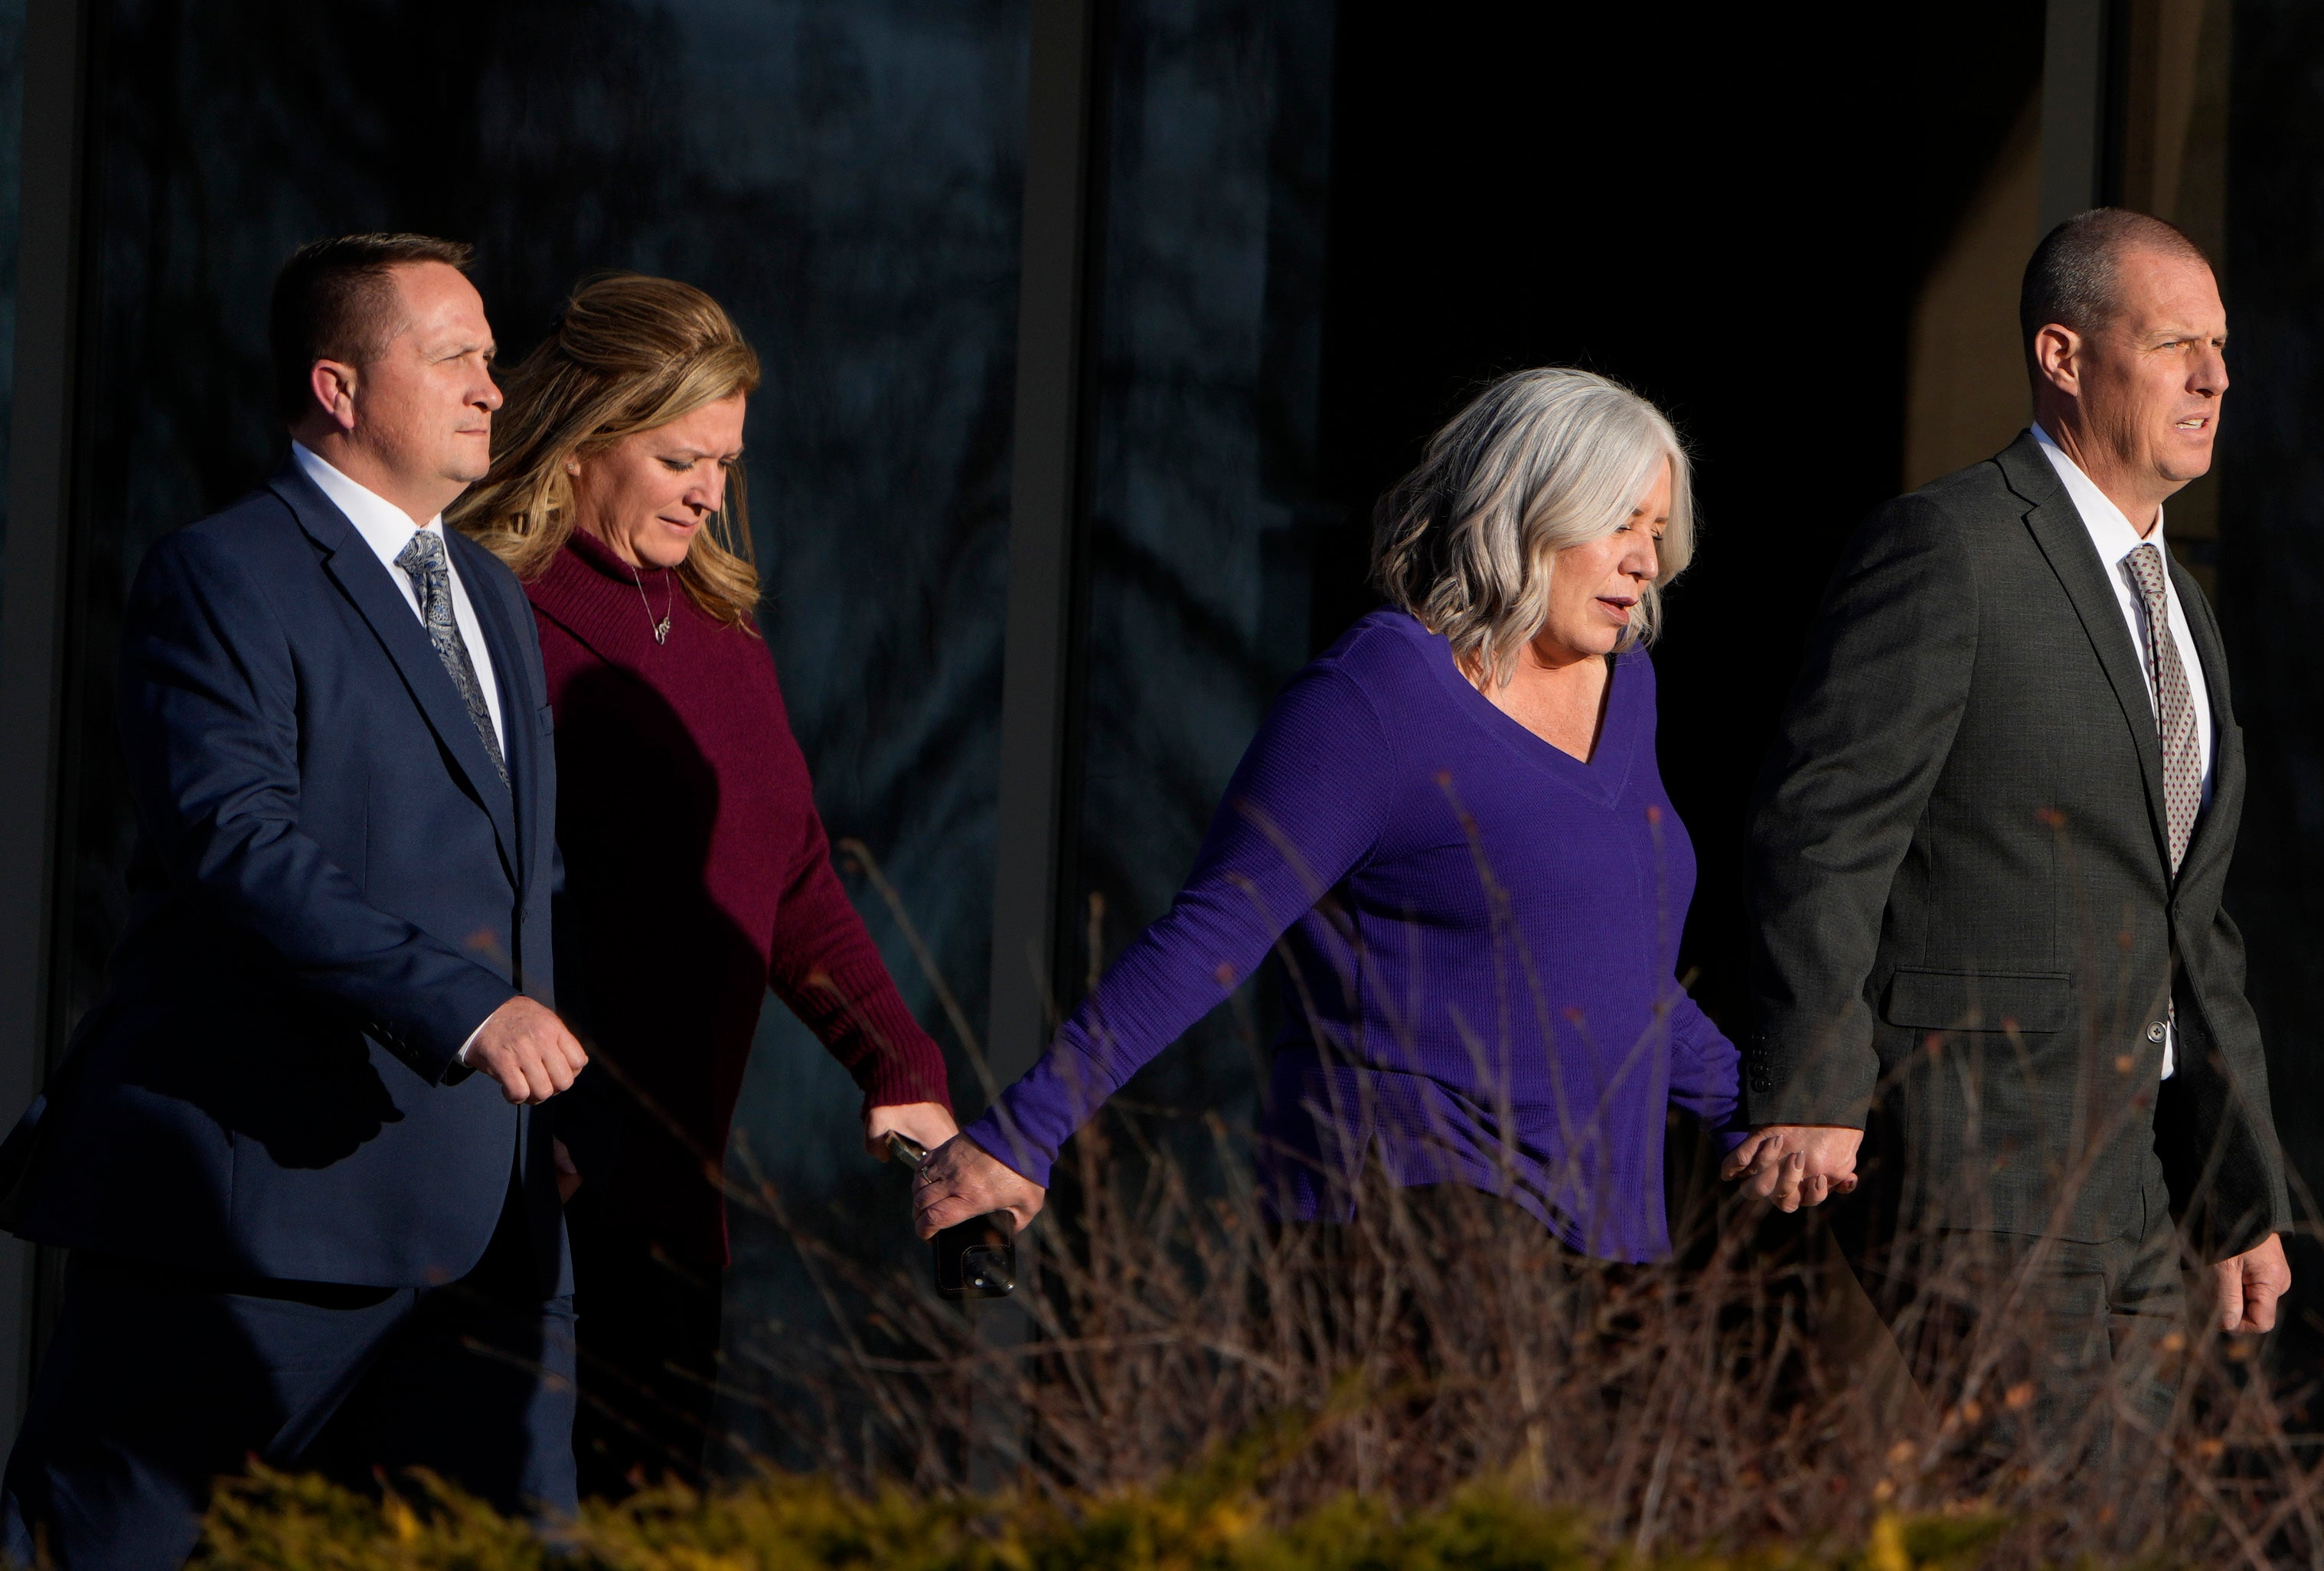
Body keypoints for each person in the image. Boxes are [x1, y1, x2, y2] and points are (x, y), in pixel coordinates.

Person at [0, 235, 586, 1566]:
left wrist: (544, 1100)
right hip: (258, 1212)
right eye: (453, 357)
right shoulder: (220, 576)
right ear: (338, 385)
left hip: (488, 1222)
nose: (493, 387)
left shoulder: (491, 598)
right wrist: (469, 1012)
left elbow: (514, 874)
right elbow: (238, 845)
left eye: (491, 358)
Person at [913, 367, 1741, 1269]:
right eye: (1620, 521)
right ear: (1531, 506)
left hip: (1602, 1229)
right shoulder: (1379, 695)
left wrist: (1764, 1107)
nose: (1646, 561)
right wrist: (1024, 1130)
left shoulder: (1627, 692)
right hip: (1415, 1208)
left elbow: (1609, 972)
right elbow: (1216, 929)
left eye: (1656, 531)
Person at [1729, 209, 2293, 1446]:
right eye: (2173, 344)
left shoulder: (2184, 612)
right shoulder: (1948, 549)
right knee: (2057, 1506)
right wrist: (1814, 1078)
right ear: (2060, 353)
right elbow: (1822, 828)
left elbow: (2189, 919)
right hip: (1980, 1153)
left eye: (2219, 347)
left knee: (2112, 1523)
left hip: (2142, 1172)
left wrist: (2234, 1188)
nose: (2214, 377)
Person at [450, 273, 955, 1497]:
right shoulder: (484, 613)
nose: (710, 492)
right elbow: (438, 889)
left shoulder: (719, 634)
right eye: (682, 457)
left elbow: (788, 877)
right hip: (522, 1198)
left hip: (676, 1212)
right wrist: (539, 1121)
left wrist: (898, 1065)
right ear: (581, 443)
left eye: (727, 462)